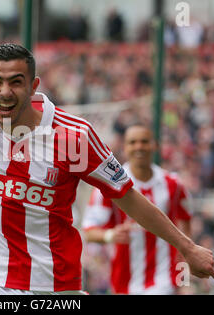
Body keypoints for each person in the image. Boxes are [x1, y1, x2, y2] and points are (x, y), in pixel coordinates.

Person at [0, 4, 214, 295]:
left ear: (34, 85)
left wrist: (188, 247)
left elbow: (127, 196)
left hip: (54, 287)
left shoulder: (75, 136)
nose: (4, 92)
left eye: (16, 82)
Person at [82, 124, 193, 294]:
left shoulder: (173, 185)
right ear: (125, 147)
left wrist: (183, 276)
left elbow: (186, 224)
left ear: (155, 145)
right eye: (133, 142)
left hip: (164, 281)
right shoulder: (107, 185)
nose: (139, 147)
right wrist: (111, 235)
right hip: (123, 283)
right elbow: (89, 232)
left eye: (144, 141)